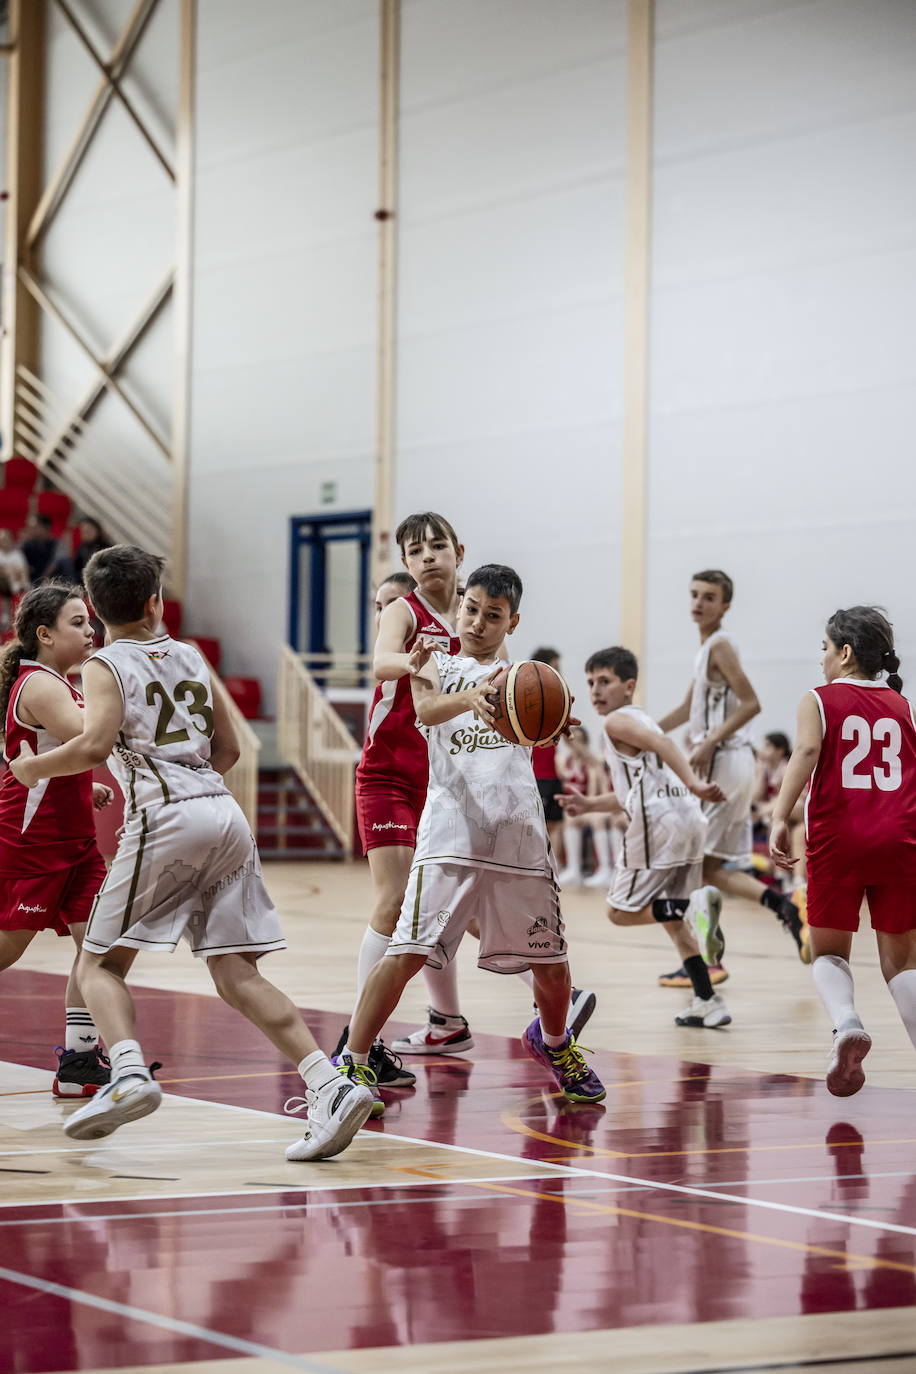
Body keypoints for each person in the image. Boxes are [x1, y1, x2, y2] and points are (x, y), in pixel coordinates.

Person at [10, 545, 373, 1158]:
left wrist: (33, 767)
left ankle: (125, 1074)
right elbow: (229, 748)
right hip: (224, 812)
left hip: (167, 815)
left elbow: (95, 745)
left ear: (96, 612)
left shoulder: (104, 665)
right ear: (156, 602)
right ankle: (329, 1085)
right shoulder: (192, 656)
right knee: (236, 973)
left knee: (98, 965)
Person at [335, 564, 606, 1113]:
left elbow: (539, 727)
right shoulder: (435, 662)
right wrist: (476, 697)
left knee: (552, 964)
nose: (480, 622)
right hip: (451, 833)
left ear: (513, 621)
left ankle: (556, 1044)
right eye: (472, 610)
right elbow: (428, 710)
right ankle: (352, 1060)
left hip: (519, 837)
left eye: (494, 615)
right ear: (460, 608)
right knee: (406, 951)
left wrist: (554, 723)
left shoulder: (527, 678)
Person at [770, 606, 916, 1097]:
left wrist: (778, 814)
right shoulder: (901, 705)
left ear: (845, 652)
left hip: (840, 837)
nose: (822, 661)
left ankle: (847, 1022)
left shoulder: (820, 699)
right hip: (900, 837)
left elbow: (806, 754)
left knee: (827, 950)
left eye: (825, 650)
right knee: (902, 962)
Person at [561, 647, 731, 1028]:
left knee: (619, 912)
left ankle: (694, 907)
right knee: (672, 923)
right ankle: (707, 999)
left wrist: (695, 782)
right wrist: (588, 804)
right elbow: (629, 793)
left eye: (605, 681)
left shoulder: (616, 722)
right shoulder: (639, 721)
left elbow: (668, 745)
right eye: (590, 683)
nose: (595, 690)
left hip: (660, 826)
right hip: (686, 819)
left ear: (629, 685)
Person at [656, 569, 809, 988]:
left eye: (709, 597)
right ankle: (778, 911)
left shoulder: (721, 645)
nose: (698, 602)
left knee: (693, 864)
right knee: (705, 868)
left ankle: (707, 958)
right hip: (721, 761)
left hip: (727, 761)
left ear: (725, 605)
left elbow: (751, 704)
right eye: (694, 594)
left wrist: (708, 742)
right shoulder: (706, 648)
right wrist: (639, 730)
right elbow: (687, 709)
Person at [0, 583, 114, 1096]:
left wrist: (80, 790)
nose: (90, 629)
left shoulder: (60, 681)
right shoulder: (40, 682)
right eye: (76, 622)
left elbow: (60, 754)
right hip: (32, 841)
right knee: (9, 948)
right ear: (44, 635)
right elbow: (90, 740)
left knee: (98, 946)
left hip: (76, 841)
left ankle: (79, 1063)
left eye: (90, 620)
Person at [555, 725, 617, 888]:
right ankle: (573, 869)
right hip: (571, 809)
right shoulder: (563, 761)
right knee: (567, 820)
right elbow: (562, 779)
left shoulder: (592, 763)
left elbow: (594, 792)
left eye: (579, 740)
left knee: (596, 819)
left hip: (589, 806)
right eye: (572, 740)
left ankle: (606, 869)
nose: (575, 743)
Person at [530, 647, 566, 864]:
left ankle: (553, 866)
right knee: (539, 825)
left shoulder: (558, 696)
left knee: (556, 823)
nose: (559, 670)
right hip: (537, 774)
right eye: (556, 666)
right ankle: (536, 865)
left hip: (554, 775)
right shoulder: (527, 695)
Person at [19, 513, 58, 586]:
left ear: (44, 528)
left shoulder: (56, 544)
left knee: (63, 560)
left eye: (33, 527)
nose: (28, 530)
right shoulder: (26, 546)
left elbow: (55, 565)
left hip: (53, 583)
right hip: (32, 584)